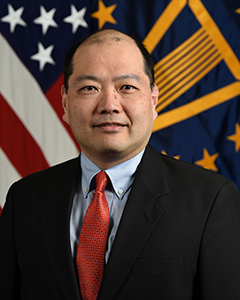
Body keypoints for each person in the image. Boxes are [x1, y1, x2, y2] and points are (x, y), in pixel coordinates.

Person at [0, 29, 240, 300]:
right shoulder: (24, 199)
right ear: (65, 103)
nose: (109, 105)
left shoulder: (210, 201)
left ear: (152, 100)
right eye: (89, 88)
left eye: (127, 87)